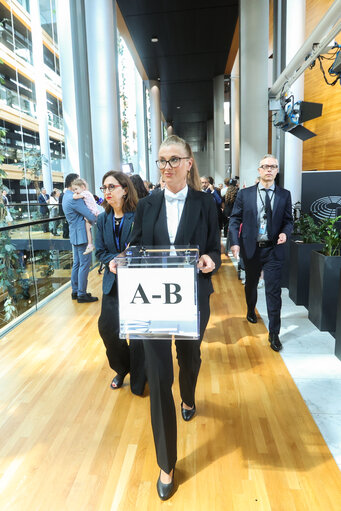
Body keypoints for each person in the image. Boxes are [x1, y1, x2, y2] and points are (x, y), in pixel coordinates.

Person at [126, 134, 221, 500]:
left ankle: (189, 397)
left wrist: (210, 260)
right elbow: (136, 244)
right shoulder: (147, 205)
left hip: (192, 299)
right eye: (162, 161)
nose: (166, 167)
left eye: (174, 160)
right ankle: (166, 463)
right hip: (150, 302)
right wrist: (124, 260)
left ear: (189, 162)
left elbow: (213, 246)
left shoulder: (205, 203)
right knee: (159, 376)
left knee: (190, 357)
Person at [229, 154, 293, 352]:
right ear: (259, 170)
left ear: (277, 171)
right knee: (251, 283)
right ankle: (250, 308)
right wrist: (234, 243)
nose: (269, 170)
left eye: (273, 166)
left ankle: (274, 333)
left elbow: (288, 220)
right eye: (265, 166)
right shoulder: (245, 194)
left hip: (273, 250)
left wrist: (285, 232)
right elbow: (234, 219)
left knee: (273, 291)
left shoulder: (284, 194)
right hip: (251, 249)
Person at [95, 170, 146, 395]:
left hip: (137, 283)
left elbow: (144, 246)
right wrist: (113, 260)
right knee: (107, 328)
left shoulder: (138, 215)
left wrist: (129, 255)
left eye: (112, 187)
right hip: (113, 281)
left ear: (125, 189)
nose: (107, 191)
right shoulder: (102, 219)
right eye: (104, 188)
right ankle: (122, 367)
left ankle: (139, 374)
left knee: (136, 333)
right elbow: (100, 251)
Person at [62, 173, 98, 303]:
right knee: (84, 264)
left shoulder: (65, 197)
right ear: (72, 184)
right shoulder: (74, 198)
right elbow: (89, 214)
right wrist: (94, 219)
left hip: (74, 234)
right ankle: (82, 294)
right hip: (82, 234)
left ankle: (75, 291)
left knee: (77, 263)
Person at [72, 177, 100, 255]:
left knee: (88, 230)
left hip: (92, 213)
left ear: (83, 187)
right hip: (94, 212)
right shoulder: (88, 193)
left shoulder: (84, 193)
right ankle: (90, 244)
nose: (75, 191)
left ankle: (90, 245)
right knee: (89, 230)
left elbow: (74, 197)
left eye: (76, 189)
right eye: (74, 190)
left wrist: (75, 194)